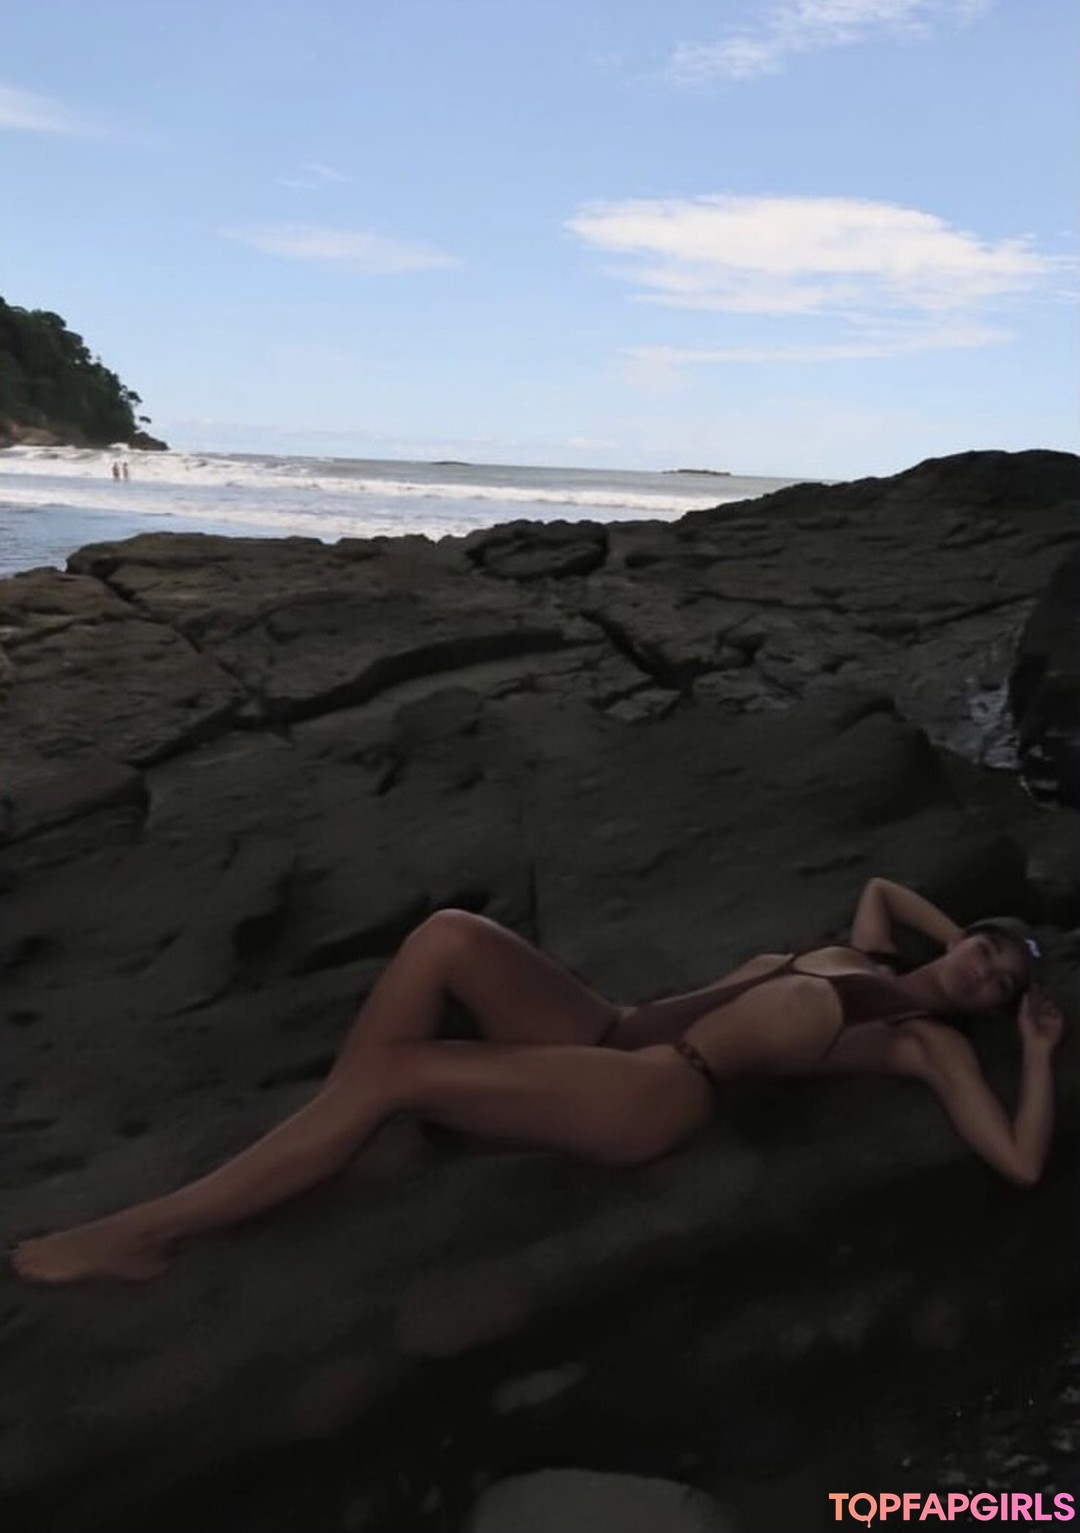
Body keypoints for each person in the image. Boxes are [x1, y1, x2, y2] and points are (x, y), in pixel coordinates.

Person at [10, 877, 1065, 1284]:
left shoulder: (919, 1041)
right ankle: (345, 1119)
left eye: (998, 983)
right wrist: (988, 935)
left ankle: (151, 1233)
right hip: (612, 1023)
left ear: (988, 1008)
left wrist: (1035, 1043)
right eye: (985, 951)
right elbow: (886, 882)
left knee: (398, 1075)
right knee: (446, 933)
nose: (983, 971)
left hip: (661, 1086)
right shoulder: (867, 948)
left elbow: (1019, 1163)